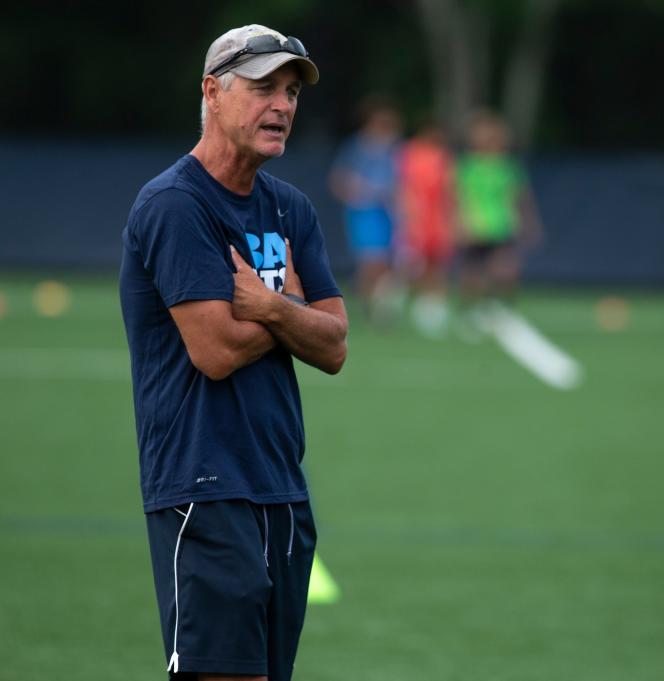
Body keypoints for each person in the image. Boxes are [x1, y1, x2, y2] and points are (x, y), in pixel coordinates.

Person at [119, 24, 348, 681]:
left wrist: (270, 305)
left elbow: (334, 344)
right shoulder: (175, 204)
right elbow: (215, 348)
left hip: (281, 485)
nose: (281, 105)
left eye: (290, 92)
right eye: (262, 88)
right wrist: (295, 311)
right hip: (202, 483)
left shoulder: (290, 209)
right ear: (212, 93)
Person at [455, 109, 542, 329]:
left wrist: (530, 222)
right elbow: (458, 197)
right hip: (476, 225)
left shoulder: (508, 167)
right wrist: (459, 222)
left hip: (502, 224)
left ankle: (502, 307)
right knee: (473, 271)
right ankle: (470, 311)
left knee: (506, 269)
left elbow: (520, 196)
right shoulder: (469, 166)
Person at [329, 95, 403, 322]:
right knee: (370, 260)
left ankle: (378, 304)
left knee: (387, 262)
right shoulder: (356, 147)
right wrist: (357, 192)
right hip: (364, 212)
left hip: (387, 211)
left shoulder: (394, 149)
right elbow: (338, 180)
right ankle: (369, 305)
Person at [397, 119, 457, 337]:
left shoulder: (442, 157)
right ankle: (392, 298)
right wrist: (410, 218)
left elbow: (449, 191)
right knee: (411, 267)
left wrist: (451, 220)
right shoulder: (410, 153)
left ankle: (432, 311)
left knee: (436, 267)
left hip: (436, 221)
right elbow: (405, 188)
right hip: (416, 221)